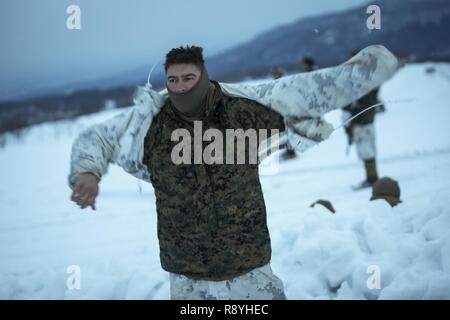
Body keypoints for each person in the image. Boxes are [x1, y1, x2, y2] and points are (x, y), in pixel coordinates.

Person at [68, 45, 398, 299]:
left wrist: (368, 70)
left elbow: (307, 90)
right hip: (187, 270)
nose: (180, 87)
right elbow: (97, 137)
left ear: (204, 75)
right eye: (172, 80)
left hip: (247, 262)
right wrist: (87, 172)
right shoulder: (150, 119)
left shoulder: (242, 105)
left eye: (188, 78)